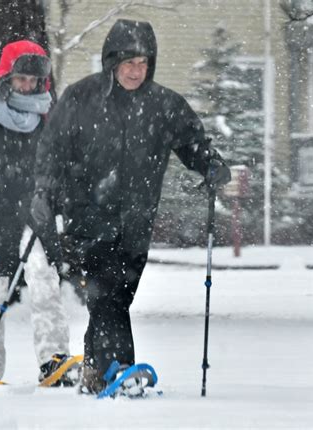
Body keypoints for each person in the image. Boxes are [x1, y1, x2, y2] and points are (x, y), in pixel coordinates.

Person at [30, 19, 231, 394]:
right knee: (106, 295)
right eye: (128, 63)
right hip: (86, 219)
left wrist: (211, 164)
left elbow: (191, 142)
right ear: (111, 62)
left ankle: (94, 373)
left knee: (116, 299)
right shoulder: (81, 98)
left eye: (142, 62)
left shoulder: (163, 105)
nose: (136, 71)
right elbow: (51, 150)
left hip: (136, 224)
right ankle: (117, 370)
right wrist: (45, 190)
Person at [0, 40, 74, 387]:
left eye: (32, 81)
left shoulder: (49, 113)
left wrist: (55, 189)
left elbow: (60, 158)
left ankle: (54, 359)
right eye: (20, 79)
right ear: (7, 76)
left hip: (35, 210)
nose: (26, 86)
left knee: (45, 279)